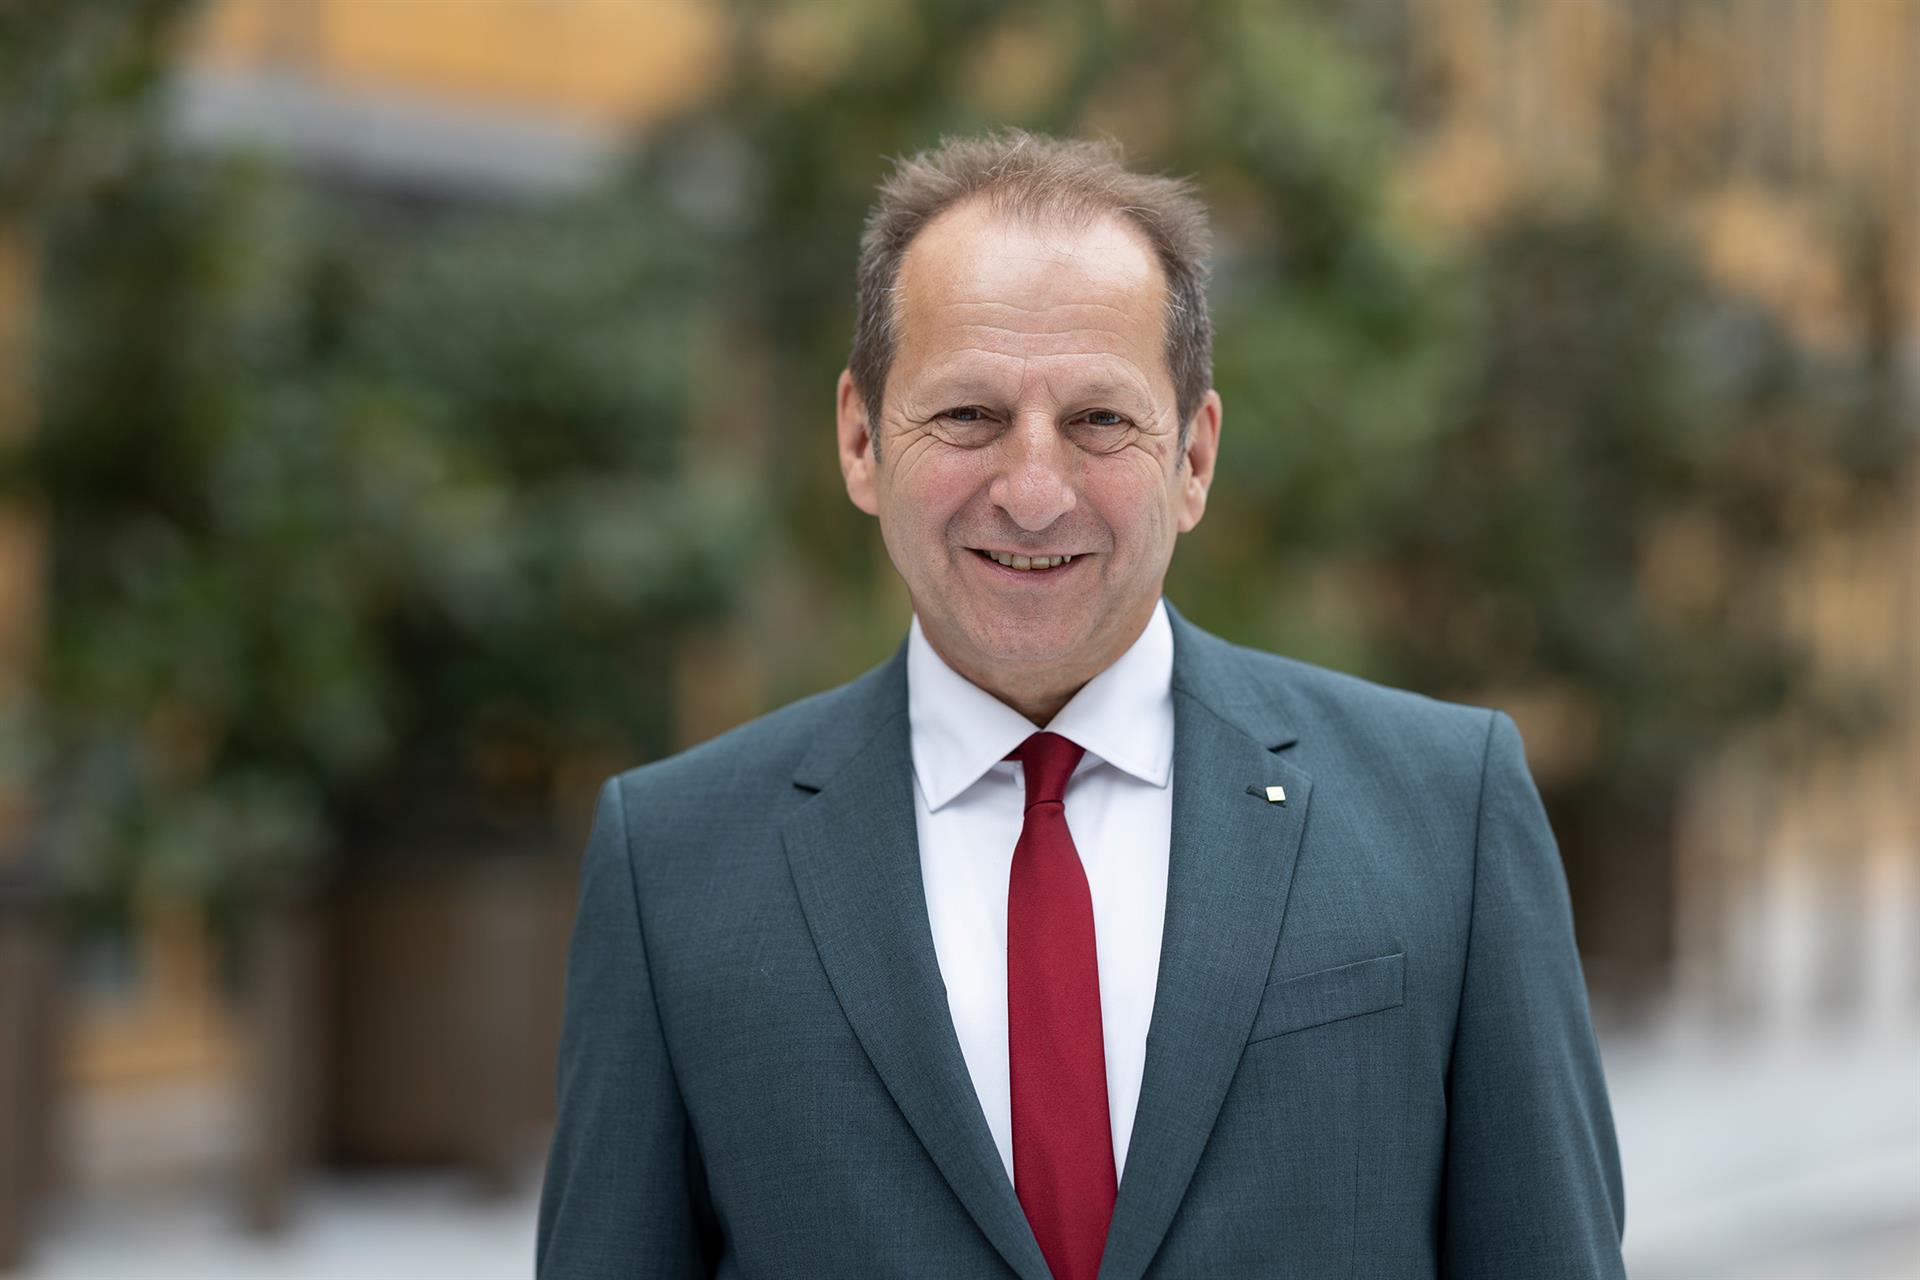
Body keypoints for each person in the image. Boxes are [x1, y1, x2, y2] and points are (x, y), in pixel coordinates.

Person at [536, 129, 1626, 1279]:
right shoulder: (674, 865)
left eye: (1100, 420)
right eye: (968, 415)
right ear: (860, 440)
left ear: (1193, 457)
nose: (1033, 492)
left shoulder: (1446, 812)